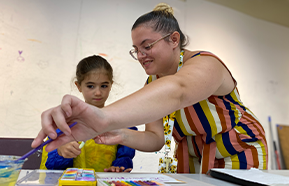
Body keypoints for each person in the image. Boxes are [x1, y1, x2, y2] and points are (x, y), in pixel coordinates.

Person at [32, 3, 268, 174]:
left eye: (146, 46)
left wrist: (101, 117)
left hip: (239, 149)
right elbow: (155, 139)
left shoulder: (207, 63)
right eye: (136, 49)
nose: (141, 56)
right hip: (195, 156)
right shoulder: (153, 83)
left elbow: (179, 90)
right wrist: (121, 134)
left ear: (174, 40)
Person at [39, 55, 136, 172]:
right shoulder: (64, 121)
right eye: (90, 86)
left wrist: (118, 167)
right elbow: (51, 167)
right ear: (78, 86)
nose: (98, 92)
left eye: (104, 86)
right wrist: (60, 151)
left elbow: (125, 156)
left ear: (111, 85)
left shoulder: (119, 123)